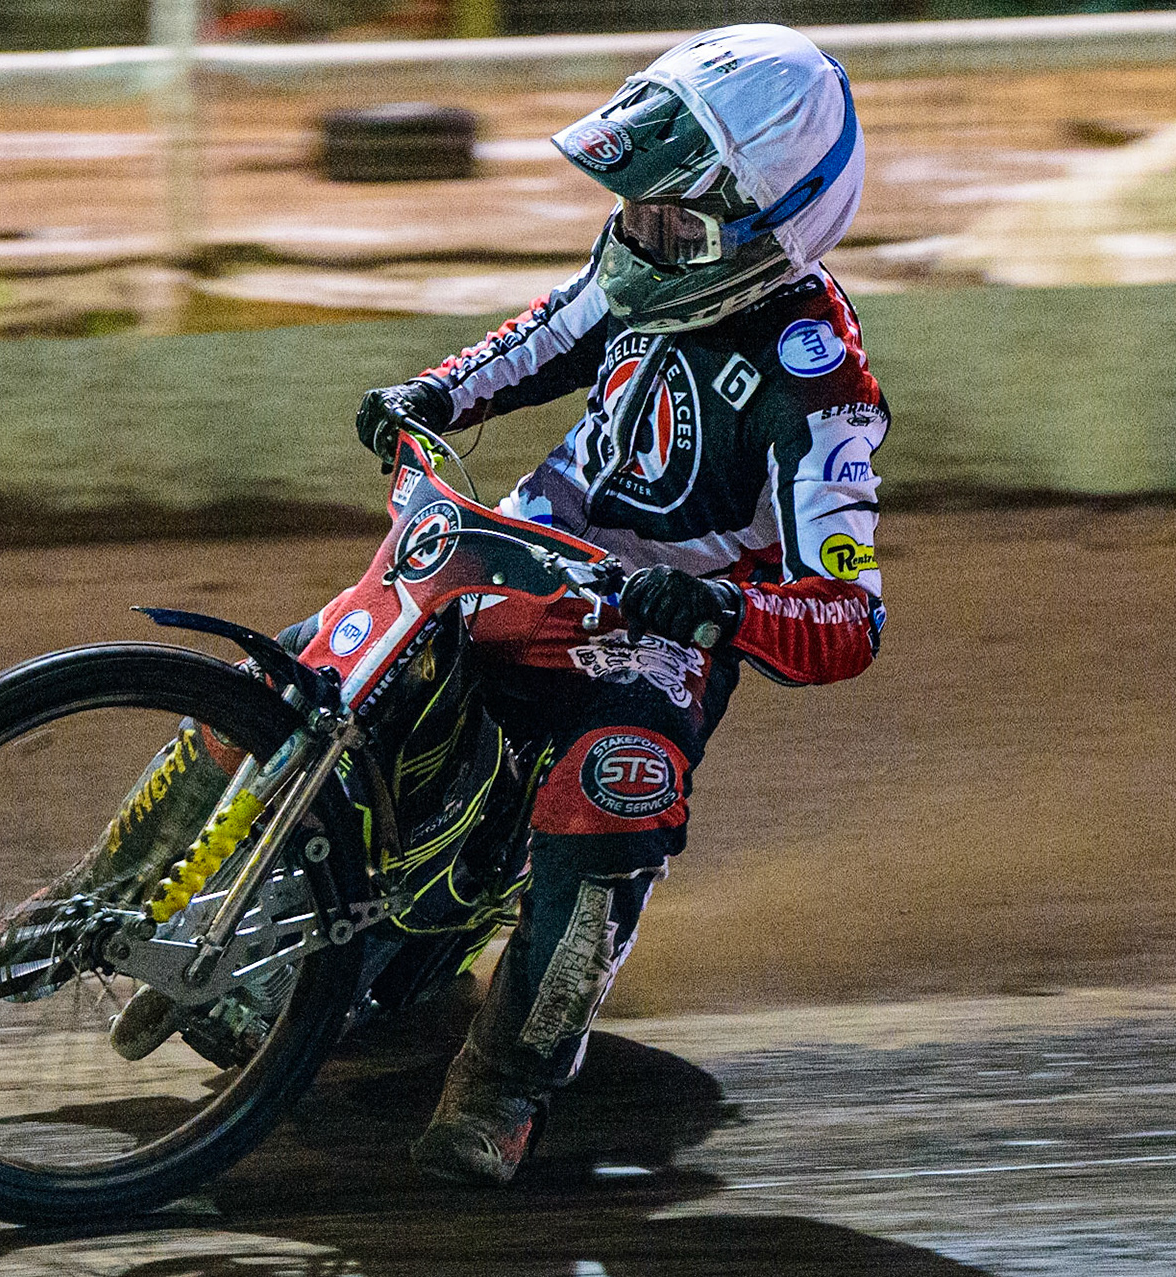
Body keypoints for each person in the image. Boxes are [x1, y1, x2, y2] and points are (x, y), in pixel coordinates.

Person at [353, 23, 890, 1185]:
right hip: (514, 552)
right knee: (323, 661)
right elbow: (555, 328)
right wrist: (433, 391)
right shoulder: (649, 257)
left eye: (671, 217)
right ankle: (111, 883)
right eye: (635, 204)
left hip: (649, 644)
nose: (639, 234)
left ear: (766, 230)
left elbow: (853, 618)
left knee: (618, 788)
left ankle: (502, 1089)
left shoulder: (823, 384)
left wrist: (713, 610)